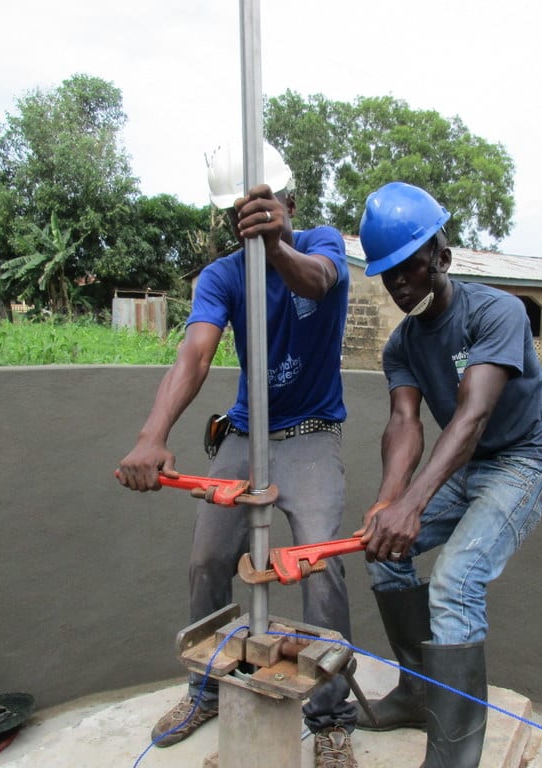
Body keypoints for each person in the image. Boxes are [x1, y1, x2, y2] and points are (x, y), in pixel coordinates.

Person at [115, 140, 358, 768]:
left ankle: (331, 718)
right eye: (238, 209)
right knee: (207, 560)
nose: (249, 215)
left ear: (290, 202)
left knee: (319, 561)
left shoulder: (324, 243)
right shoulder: (221, 275)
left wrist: (277, 246)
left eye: (264, 202)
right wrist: (153, 433)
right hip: (247, 433)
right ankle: (207, 690)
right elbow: (195, 353)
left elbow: (321, 280)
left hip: (311, 432)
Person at [353, 182, 542, 768]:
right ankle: (418, 692)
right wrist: (388, 501)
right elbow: (405, 423)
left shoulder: (494, 311)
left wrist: (414, 503)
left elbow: (472, 416)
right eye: (388, 276)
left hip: (527, 459)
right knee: (381, 550)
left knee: (455, 582)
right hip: (468, 463)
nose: (400, 285)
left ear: (441, 260)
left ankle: (452, 759)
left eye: (410, 269)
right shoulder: (401, 344)